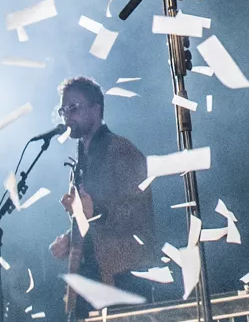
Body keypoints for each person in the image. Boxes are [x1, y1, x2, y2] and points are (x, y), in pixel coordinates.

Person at [48, 76, 155, 318]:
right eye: (63, 111)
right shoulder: (79, 162)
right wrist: (71, 239)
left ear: (96, 109)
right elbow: (93, 223)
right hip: (89, 283)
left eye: (73, 108)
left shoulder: (122, 151)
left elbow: (138, 210)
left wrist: (95, 210)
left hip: (123, 281)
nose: (67, 117)